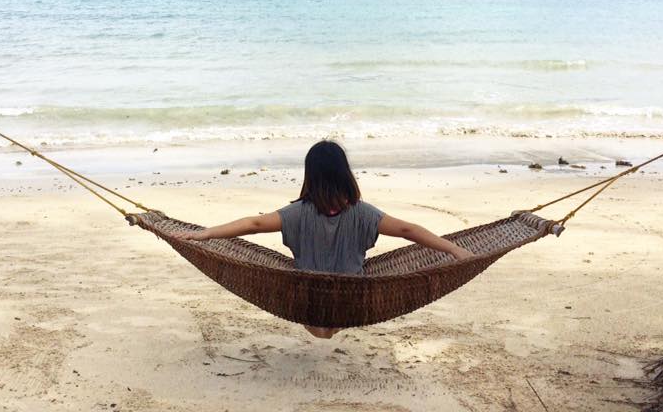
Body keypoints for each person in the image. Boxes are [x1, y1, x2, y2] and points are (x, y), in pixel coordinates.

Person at [178, 140, 474, 339]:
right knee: (334, 317)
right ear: (345, 175)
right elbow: (410, 231)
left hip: (307, 304)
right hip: (350, 304)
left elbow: (253, 224)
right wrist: (453, 249)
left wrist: (205, 234)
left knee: (312, 312)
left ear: (310, 176)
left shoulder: (296, 214)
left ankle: (318, 322)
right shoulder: (365, 214)